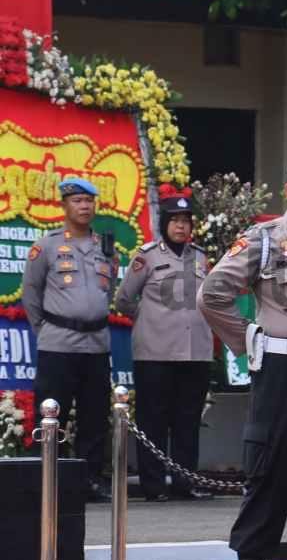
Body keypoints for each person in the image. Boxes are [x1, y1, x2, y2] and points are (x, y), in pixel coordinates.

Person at [198, 154, 287, 560]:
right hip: (284, 369)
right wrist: (250, 341)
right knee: (270, 476)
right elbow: (211, 295)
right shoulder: (264, 239)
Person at [22, 178, 119, 502]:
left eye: (89, 201)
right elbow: (31, 293)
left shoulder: (105, 246)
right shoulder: (46, 246)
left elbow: (110, 290)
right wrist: (47, 330)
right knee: (53, 416)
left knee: (95, 417)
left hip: (97, 345)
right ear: (64, 205)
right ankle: (48, 481)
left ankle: (90, 480)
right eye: (77, 201)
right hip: (58, 345)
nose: (84, 206)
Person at [115, 187, 214, 502]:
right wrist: (149, 319)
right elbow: (124, 299)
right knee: (153, 420)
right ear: (164, 224)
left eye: (186, 221)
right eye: (175, 220)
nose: (181, 226)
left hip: (195, 353)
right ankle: (154, 485)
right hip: (155, 352)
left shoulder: (200, 257)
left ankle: (185, 484)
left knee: (188, 421)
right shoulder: (147, 257)